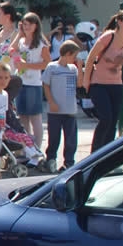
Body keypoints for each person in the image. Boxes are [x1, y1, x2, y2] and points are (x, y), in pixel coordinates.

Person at [82, 9, 123, 152]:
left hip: (116, 84)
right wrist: (85, 81)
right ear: (119, 22)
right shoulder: (108, 37)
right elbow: (90, 58)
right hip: (98, 84)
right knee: (105, 118)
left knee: (113, 121)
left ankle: (107, 153)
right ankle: (95, 152)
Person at [9, 12, 50, 150]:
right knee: (23, 116)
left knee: (35, 117)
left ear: (36, 25)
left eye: (29, 24)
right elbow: (11, 49)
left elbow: (46, 63)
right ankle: (27, 147)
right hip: (20, 82)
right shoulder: (21, 40)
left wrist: (27, 65)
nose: (26, 27)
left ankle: (37, 148)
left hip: (33, 84)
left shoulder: (41, 43)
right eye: (24, 24)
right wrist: (19, 34)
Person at [43, 40, 80, 172]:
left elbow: (79, 84)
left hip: (70, 109)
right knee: (54, 137)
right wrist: (51, 102)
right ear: (67, 54)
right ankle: (51, 159)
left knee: (70, 138)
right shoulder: (52, 67)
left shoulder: (73, 68)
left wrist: (80, 67)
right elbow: (46, 85)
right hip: (55, 110)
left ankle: (69, 161)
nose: (75, 59)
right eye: (74, 56)